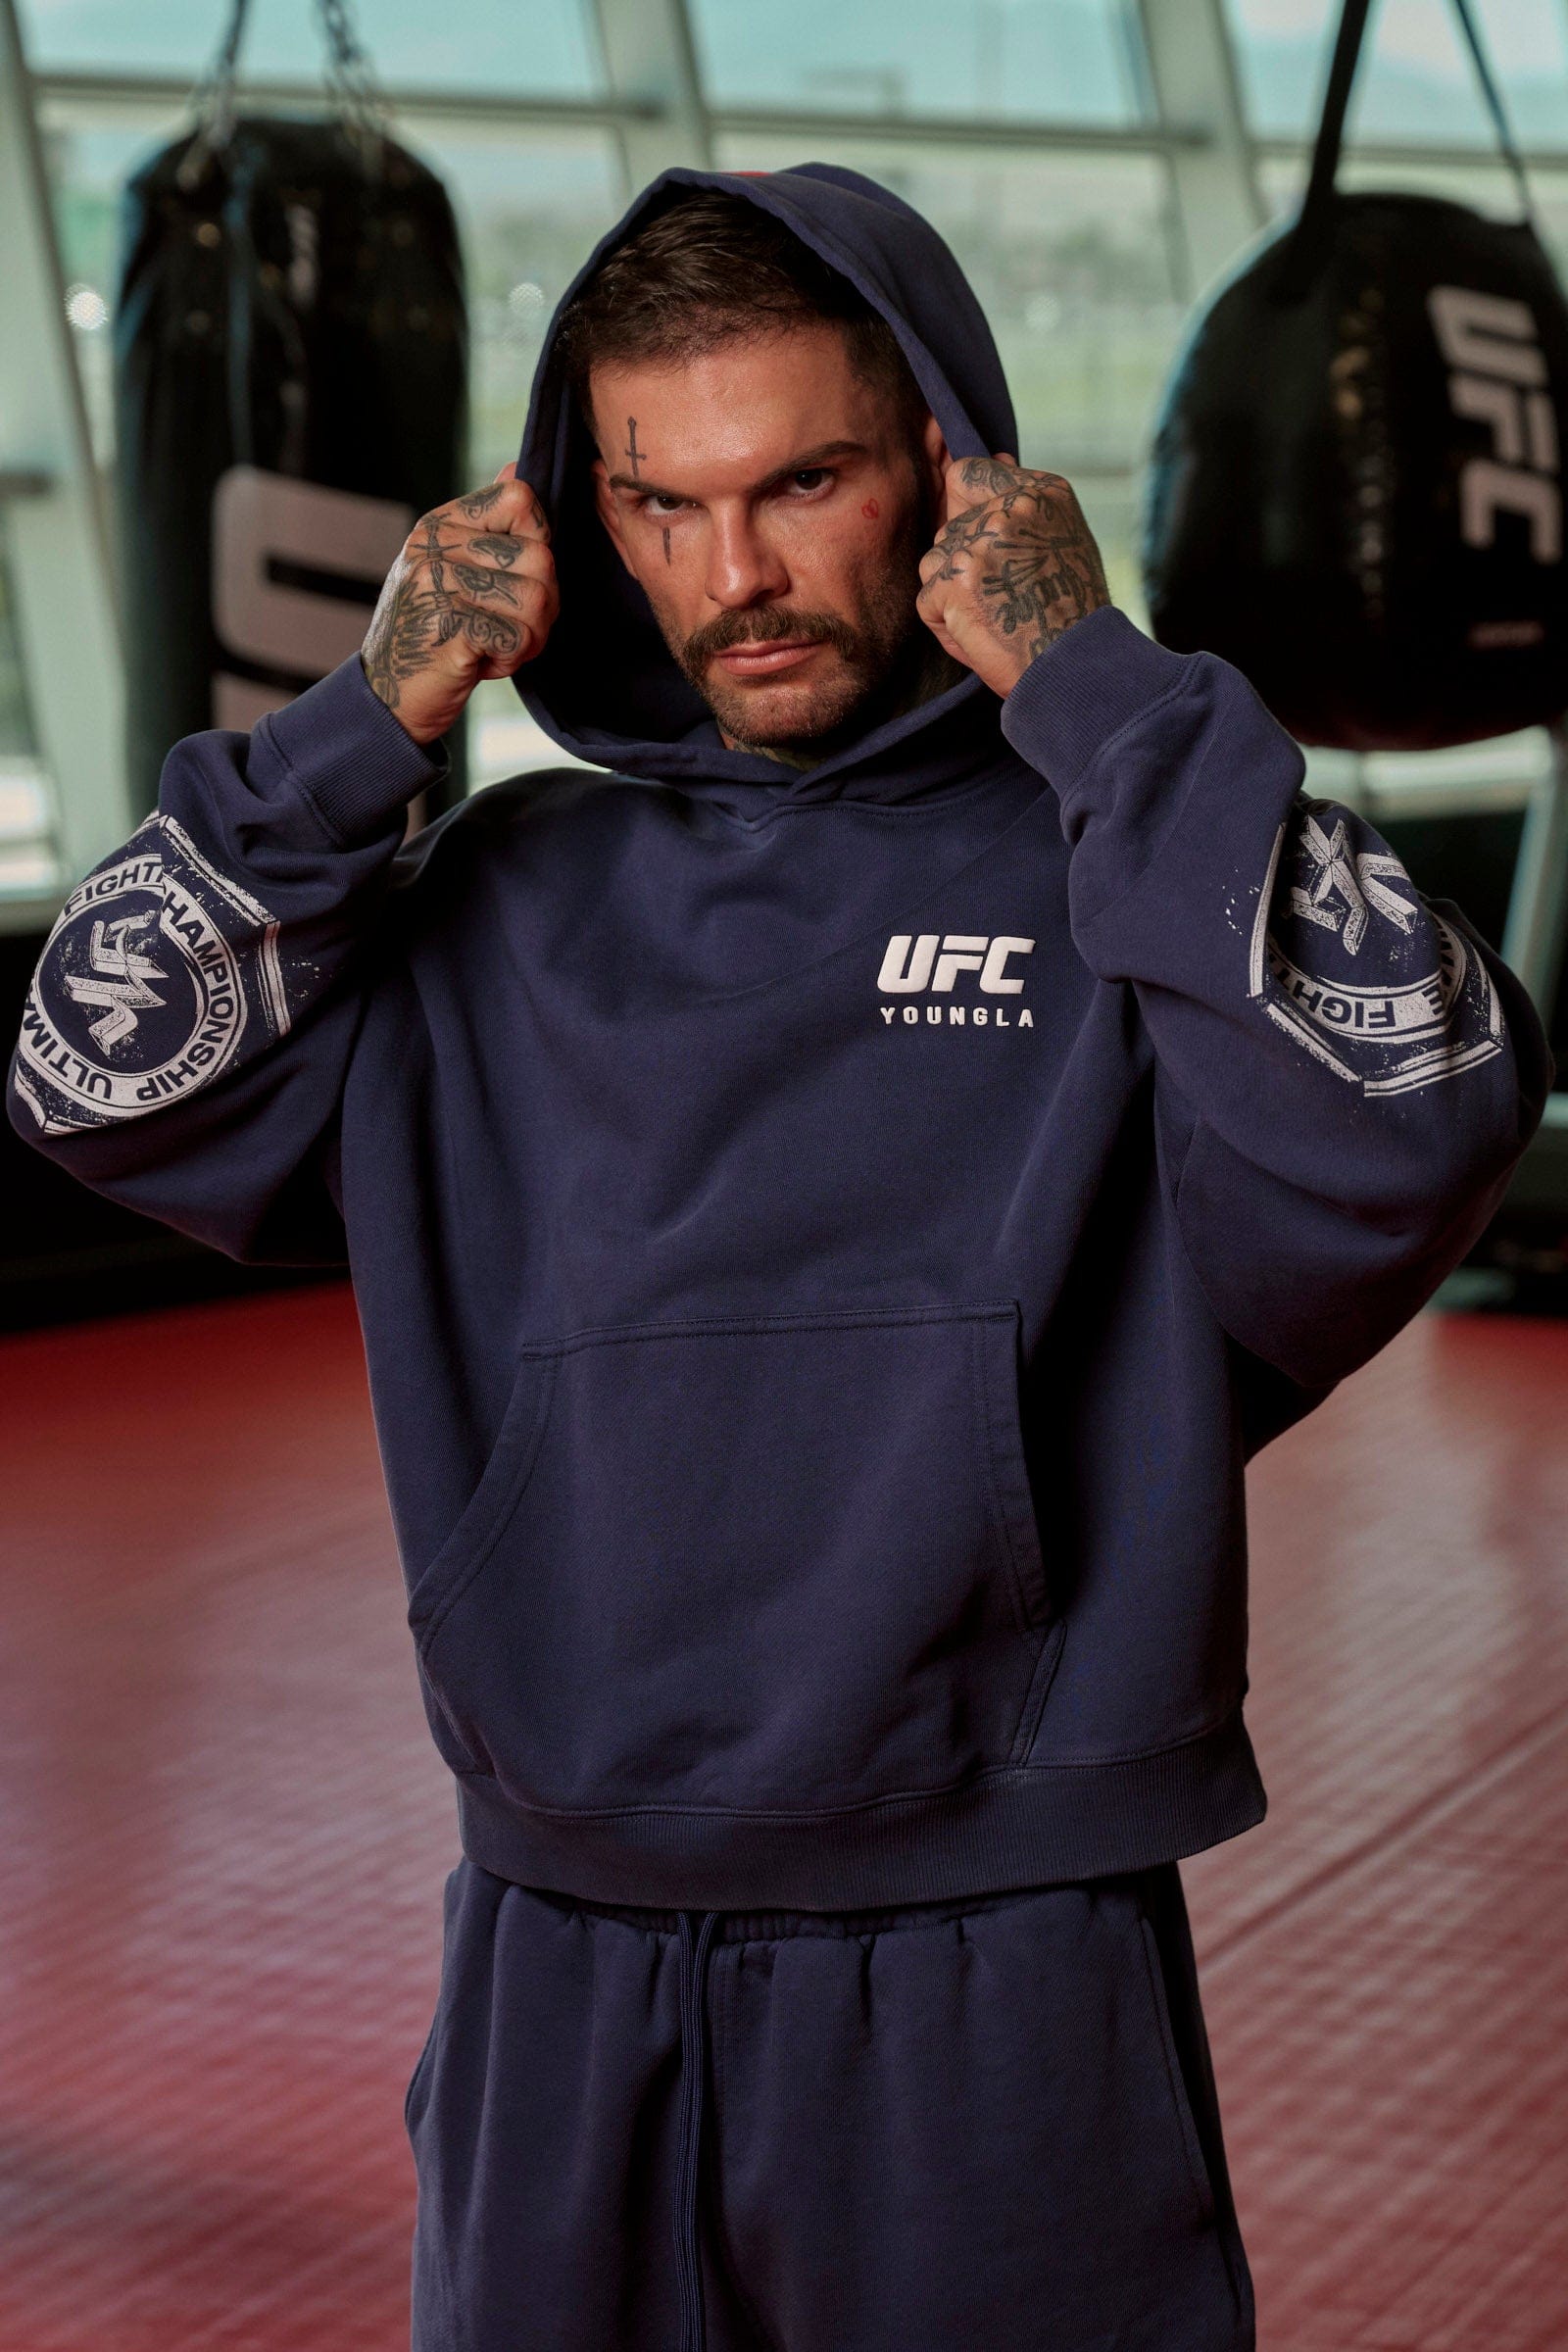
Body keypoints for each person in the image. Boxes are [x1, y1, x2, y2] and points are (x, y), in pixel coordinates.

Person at [8, 167, 1552, 2352]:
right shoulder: (495, 899)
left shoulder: (1114, 865)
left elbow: (1425, 1104)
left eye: (801, 483)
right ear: (587, 515)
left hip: (997, 1942)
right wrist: (364, 724)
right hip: (559, 1939)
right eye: (660, 503)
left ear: (945, 468)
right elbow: (86, 1076)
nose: (730, 576)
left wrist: (1098, 691)